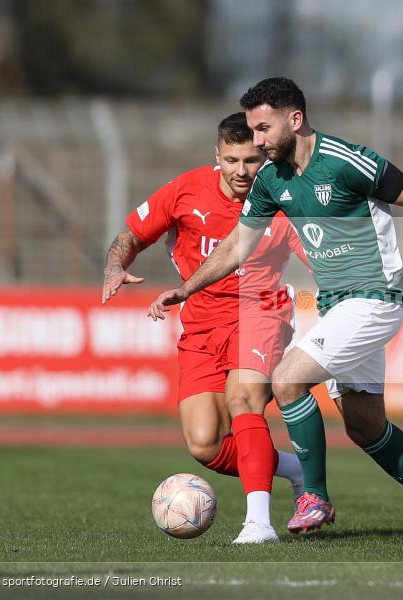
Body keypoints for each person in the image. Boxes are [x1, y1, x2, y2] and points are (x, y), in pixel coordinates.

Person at [148, 77, 403, 544]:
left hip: (375, 296)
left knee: (285, 378)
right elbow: (237, 245)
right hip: (337, 306)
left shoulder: (343, 160)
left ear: (295, 120)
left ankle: (313, 495)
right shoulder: (270, 180)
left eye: (263, 129)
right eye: (251, 131)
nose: (257, 141)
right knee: (365, 425)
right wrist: (188, 287)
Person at [103, 112, 309, 545]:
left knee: (244, 399)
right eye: (232, 160)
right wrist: (114, 266)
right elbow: (131, 235)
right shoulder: (185, 190)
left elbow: (317, 255)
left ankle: (259, 523)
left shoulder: (285, 198)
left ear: (265, 156)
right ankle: (297, 468)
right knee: (204, 444)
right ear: (217, 155)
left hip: (261, 313)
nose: (241, 171)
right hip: (200, 325)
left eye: (252, 161)